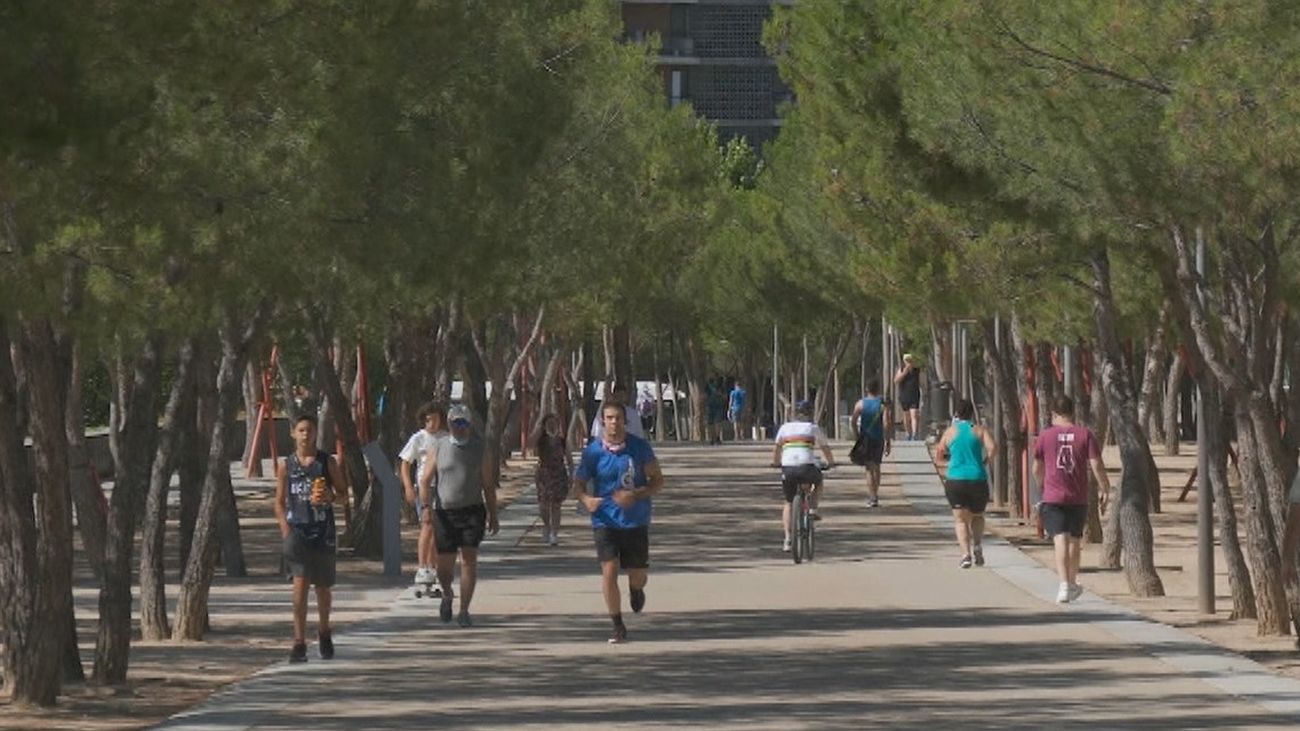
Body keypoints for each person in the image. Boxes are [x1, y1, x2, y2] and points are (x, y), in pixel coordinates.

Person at [574, 401, 664, 644]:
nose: (614, 423)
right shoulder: (593, 451)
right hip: (604, 521)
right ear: (603, 421)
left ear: (625, 421)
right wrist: (586, 500)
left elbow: (657, 481)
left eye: (618, 418)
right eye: (609, 418)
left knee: (638, 575)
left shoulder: (640, 448)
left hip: (635, 521)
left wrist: (635, 495)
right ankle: (617, 624)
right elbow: (579, 483)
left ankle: (636, 589)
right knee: (609, 571)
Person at [418, 404, 500, 626]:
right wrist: (426, 508)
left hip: (472, 511)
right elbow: (425, 480)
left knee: (468, 561)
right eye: (456, 423)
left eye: (464, 422)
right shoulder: (439, 446)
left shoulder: (480, 448)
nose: (460, 427)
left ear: (469, 424)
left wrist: (493, 514)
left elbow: (488, 485)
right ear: (450, 424)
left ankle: (464, 610)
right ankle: (447, 594)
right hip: (444, 513)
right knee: (444, 567)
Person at [274, 413, 346, 662]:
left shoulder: (327, 462)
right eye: (301, 430)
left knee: (323, 588)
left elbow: (344, 494)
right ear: (293, 433)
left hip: (323, 531)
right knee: (299, 587)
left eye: (310, 430)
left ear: (316, 433)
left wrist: (330, 496)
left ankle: (324, 631)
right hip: (298, 533)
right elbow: (279, 502)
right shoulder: (287, 465)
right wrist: (286, 529)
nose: (306, 435)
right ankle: (299, 642)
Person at [1033, 395, 1111, 603]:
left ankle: (1064, 585)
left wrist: (1041, 485)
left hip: (1053, 496)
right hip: (1078, 496)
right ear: (1072, 413)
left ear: (1054, 414)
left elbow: (1036, 468)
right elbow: (1096, 465)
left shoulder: (1045, 436)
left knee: (1060, 538)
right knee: (1075, 540)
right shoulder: (1085, 435)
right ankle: (1072, 581)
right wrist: (1105, 488)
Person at [935, 399, 997, 568]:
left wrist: (948, 463)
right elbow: (993, 448)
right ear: (972, 414)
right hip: (977, 478)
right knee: (977, 515)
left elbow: (939, 453)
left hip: (956, 479)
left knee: (960, 520)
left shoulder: (950, 432)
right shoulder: (979, 430)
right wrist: (984, 461)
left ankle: (965, 555)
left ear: (956, 413)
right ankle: (977, 544)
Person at [770, 400, 836, 552]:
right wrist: (831, 463)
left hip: (788, 469)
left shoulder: (785, 428)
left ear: (796, 414)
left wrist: (775, 463)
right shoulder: (812, 428)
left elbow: (777, 449)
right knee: (818, 482)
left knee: (788, 502)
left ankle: (787, 539)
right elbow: (825, 448)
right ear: (810, 414)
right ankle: (812, 508)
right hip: (807, 467)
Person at [398, 401, 446, 592]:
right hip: (425, 487)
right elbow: (405, 464)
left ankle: (433, 566)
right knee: (426, 524)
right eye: (427, 420)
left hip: (444, 486)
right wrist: (409, 487)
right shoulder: (418, 438)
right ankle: (422, 565)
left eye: (434, 419)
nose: (431, 424)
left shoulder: (446, 438)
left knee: (438, 527)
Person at [529, 413, 574, 546]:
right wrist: (538, 426)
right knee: (543, 505)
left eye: (555, 423)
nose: (552, 426)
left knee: (556, 506)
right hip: (544, 474)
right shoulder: (541, 440)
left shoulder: (562, 441)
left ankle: (554, 533)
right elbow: (529, 444)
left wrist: (572, 475)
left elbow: (569, 459)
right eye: (549, 423)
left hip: (559, 474)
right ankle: (546, 525)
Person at [851, 379, 891, 508]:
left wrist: (857, 435)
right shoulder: (882, 405)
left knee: (869, 468)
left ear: (867, 389)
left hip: (866, 438)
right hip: (878, 439)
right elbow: (886, 423)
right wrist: (887, 440)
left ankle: (872, 496)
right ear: (878, 389)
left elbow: (853, 420)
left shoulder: (860, 404)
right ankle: (876, 493)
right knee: (877, 466)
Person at [894, 354, 922, 440]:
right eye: (906, 361)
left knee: (914, 415)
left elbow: (921, 383)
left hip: (914, 395)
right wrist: (904, 373)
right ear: (904, 361)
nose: (908, 362)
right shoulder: (901, 370)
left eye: (910, 360)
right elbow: (896, 381)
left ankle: (914, 434)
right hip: (904, 396)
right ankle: (908, 433)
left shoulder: (917, 371)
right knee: (906, 417)